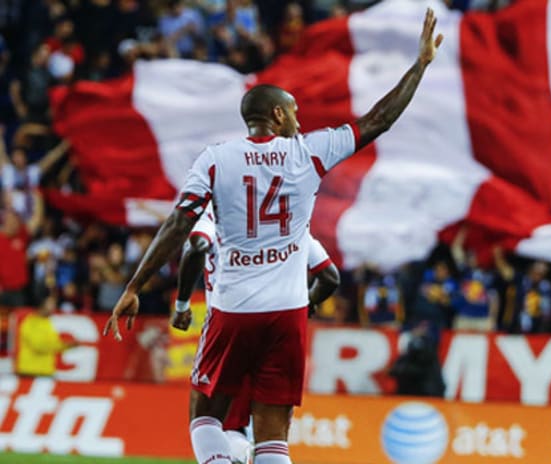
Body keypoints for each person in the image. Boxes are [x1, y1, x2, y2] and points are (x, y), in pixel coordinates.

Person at [103, 10, 442, 464]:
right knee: (273, 433)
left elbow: (181, 225)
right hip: (288, 314)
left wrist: (134, 287)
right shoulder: (308, 152)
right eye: (296, 113)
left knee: (203, 411)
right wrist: (418, 67)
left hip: (234, 307)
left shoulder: (215, 159)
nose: (300, 122)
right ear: (278, 115)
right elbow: (377, 120)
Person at [171, 202, 340, 464]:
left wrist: (181, 304)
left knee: (208, 417)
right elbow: (330, 277)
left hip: (232, 326)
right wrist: (308, 304)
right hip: (283, 326)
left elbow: (197, 246)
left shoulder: (219, 211)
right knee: (272, 439)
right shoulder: (288, 222)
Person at [15, 294, 76, 377]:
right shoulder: (31, 322)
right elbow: (39, 346)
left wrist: (66, 345)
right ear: (41, 304)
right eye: (50, 303)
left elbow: (52, 343)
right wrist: (65, 345)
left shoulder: (47, 323)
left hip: (45, 371)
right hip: (30, 372)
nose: (54, 306)